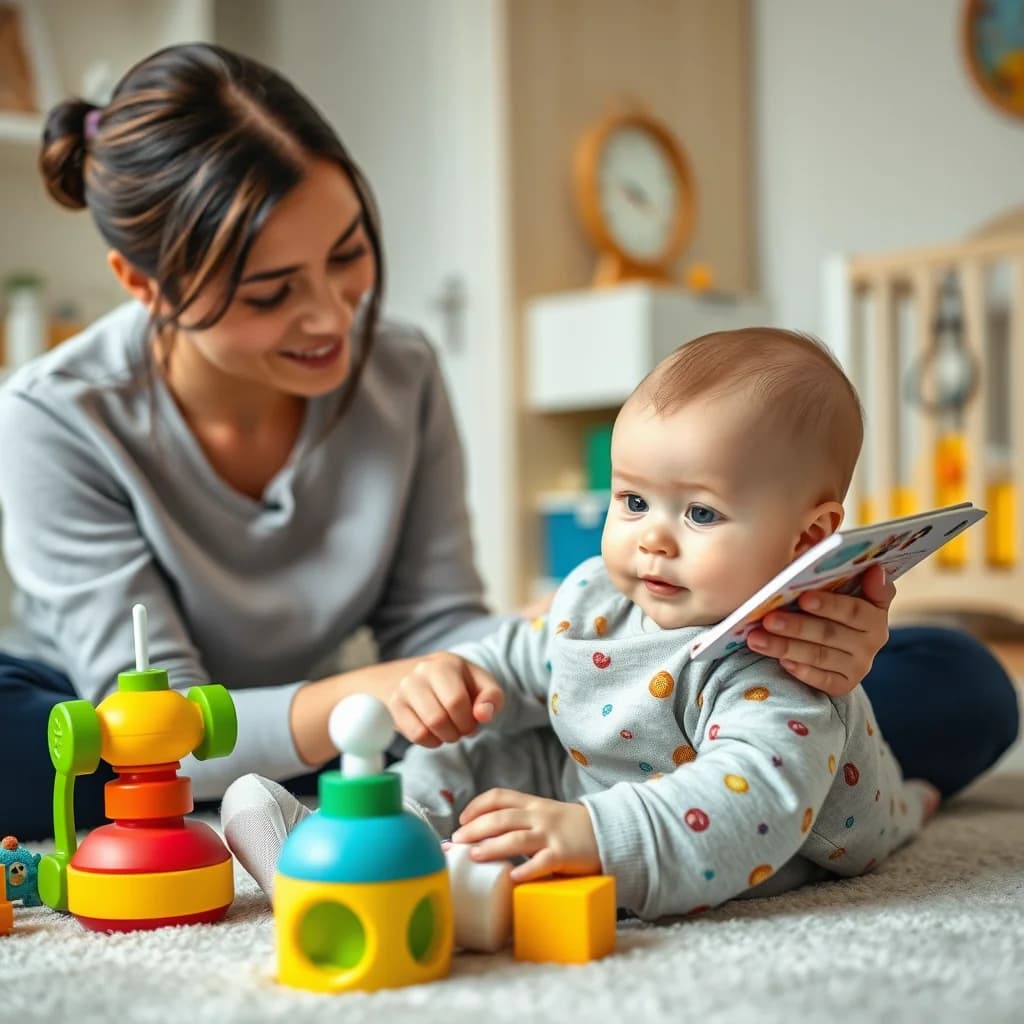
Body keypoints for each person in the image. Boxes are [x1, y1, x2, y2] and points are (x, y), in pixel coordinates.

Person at [0, 44, 1015, 846]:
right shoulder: (54, 415)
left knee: (957, 677)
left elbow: (441, 622)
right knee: (44, 748)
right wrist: (371, 694)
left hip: (379, 731)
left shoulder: (397, 370)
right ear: (143, 286)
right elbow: (158, 725)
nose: (329, 318)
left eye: (348, 254)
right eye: (270, 293)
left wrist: (804, 645)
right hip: (146, 742)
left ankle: (456, 802)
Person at [225, 330, 973, 932]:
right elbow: (524, 659)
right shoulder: (594, 594)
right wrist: (458, 676)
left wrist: (591, 838)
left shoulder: (781, 661)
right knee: (474, 732)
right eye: (633, 500)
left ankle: (459, 878)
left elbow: (748, 806)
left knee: (740, 830)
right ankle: (386, 836)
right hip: (593, 780)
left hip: (782, 835)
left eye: (701, 513)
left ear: (808, 538)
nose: (652, 539)